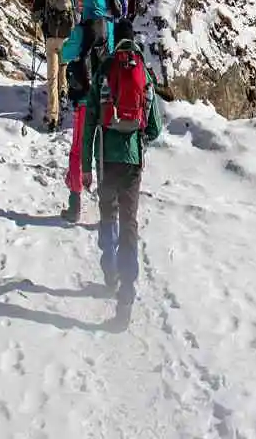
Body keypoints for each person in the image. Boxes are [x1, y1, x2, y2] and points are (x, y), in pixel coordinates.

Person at [82, 18, 163, 327]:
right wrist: (137, 133)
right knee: (129, 222)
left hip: (105, 161)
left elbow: (91, 119)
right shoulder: (144, 73)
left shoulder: (104, 70)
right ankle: (126, 296)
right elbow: (155, 128)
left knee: (108, 215)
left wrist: (85, 165)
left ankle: (109, 272)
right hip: (132, 161)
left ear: (116, 40)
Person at [60, 17, 114, 223]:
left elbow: (65, 53)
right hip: (105, 102)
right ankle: (108, 212)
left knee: (77, 151)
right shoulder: (110, 27)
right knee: (104, 155)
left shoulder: (82, 30)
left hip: (84, 100)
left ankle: (74, 206)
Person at [32, 0, 74, 132]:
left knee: (51, 77)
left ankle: (52, 115)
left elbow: (35, 13)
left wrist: (39, 19)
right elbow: (74, 7)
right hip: (66, 33)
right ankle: (64, 90)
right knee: (64, 65)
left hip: (50, 36)